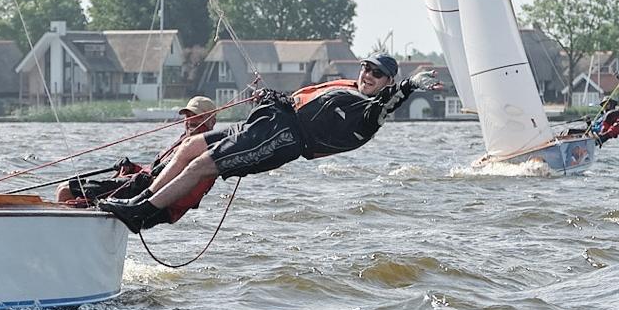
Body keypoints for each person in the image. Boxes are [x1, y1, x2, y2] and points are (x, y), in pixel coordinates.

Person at [99, 53, 442, 233]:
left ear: (388, 82)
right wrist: (274, 98)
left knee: (202, 165)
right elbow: (300, 102)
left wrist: (410, 86)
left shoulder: (369, 113)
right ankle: (142, 197)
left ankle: (144, 213)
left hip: (285, 141)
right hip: (272, 121)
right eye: (367, 69)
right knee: (191, 147)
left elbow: (387, 106)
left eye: (377, 75)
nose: (368, 76)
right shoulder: (347, 86)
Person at [56, 96, 220, 229]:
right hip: (141, 189)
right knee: (66, 189)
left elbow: (187, 195)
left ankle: (65, 241)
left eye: (198, 117)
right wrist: (132, 168)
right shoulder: (184, 141)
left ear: (212, 121)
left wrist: (148, 193)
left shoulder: (206, 154)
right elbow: (155, 172)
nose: (191, 121)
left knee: (66, 192)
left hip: (152, 202)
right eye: (188, 116)